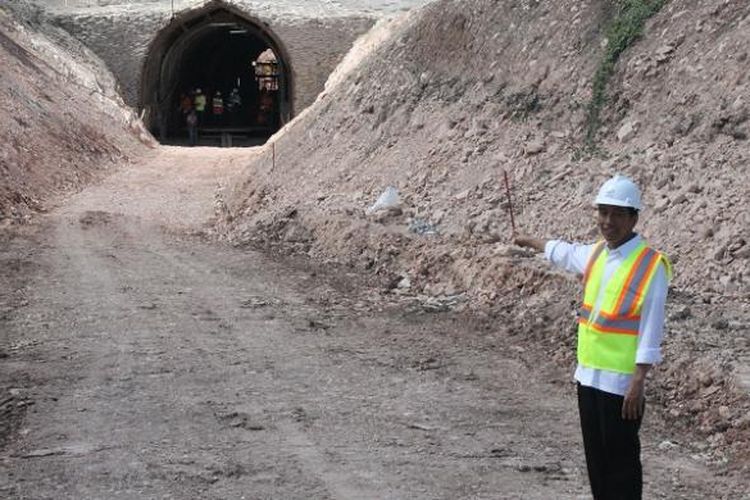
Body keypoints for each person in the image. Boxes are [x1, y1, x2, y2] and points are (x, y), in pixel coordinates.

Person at [514, 174, 672, 500]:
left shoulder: (649, 264)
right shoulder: (598, 253)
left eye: (616, 214)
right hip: (588, 376)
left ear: (633, 218)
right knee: (597, 463)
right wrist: (530, 241)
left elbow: (651, 327)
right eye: (602, 213)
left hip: (620, 384)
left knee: (621, 463)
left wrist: (638, 381)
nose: (607, 221)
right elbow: (565, 253)